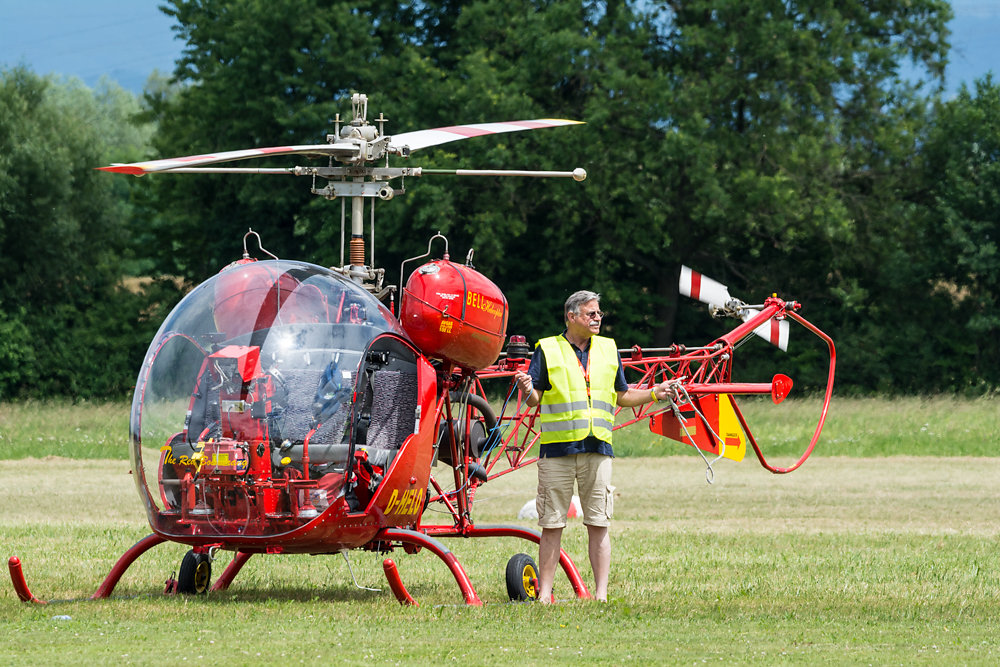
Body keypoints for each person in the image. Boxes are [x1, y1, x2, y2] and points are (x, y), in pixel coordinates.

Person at [514, 290, 675, 603]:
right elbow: (535, 399)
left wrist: (655, 393)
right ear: (571, 316)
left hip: (598, 449)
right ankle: (544, 597)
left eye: (599, 313)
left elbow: (622, 395)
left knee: (599, 524)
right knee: (551, 525)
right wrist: (526, 389)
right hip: (557, 451)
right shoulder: (547, 349)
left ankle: (601, 596)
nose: (598, 318)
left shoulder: (608, 348)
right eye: (591, 313)